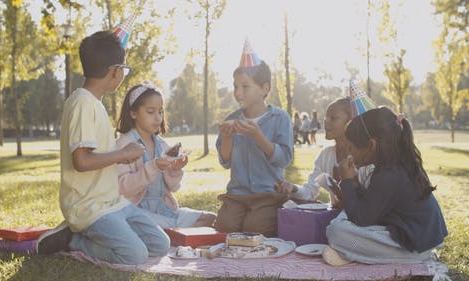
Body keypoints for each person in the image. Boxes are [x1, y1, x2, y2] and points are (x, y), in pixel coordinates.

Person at [36, 31, 170, 265]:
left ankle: (101, 235)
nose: (123, 75)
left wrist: (121, 157)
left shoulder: (94, 103)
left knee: (160, 244)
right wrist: (123, 154)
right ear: (115, 71)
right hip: (89, 207)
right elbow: (82, 161)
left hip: (113, 202)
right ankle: (72, 240)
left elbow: (97, 156)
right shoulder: (82, 104)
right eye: (124, 70)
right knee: (135, 254)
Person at [323, 106, 448, 266]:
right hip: (410, 237)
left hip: (412, 248)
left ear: (371, 145)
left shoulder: (389, 174)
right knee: (341, 219)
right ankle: (353, 251)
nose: (349, 153)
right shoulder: (394, 166)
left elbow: (361, 218)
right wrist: (354, 182)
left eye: (351, 147)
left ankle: (352, 251)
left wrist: (347, 181)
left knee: (336, 232)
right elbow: (374, 206)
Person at [214, 39, 293, 237]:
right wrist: (226, 138)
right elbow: (225, 161)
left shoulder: (279, 118)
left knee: (255, 228)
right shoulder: (231, 120)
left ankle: (261, 219)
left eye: (245, 86)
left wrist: (258, 136)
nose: (238, 92)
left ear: (264, 88)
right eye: (235, 86)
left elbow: (284, 158)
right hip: (237, 195)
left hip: (267, 194)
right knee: (224, 226)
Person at [115, 81, 216, 228]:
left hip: (164, 209)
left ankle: (173, 230)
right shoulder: (123, 145)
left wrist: (175, 170)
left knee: (210, 219)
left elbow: (173, 188)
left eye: (160, 112)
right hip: (136, 211)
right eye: (150, 112)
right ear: (133, 113)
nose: (158, 118)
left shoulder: (162, 145)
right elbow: (124, 188)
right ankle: (171, 231)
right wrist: (153, 166)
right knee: (171, 227)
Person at [275, 97, 373, 206]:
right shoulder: (326, 155)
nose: (326, 121)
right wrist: (292, 188)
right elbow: (310, 191)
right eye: (326, 117)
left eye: (333, 118)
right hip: (335, 219)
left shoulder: (365, 158)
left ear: (351, 122)